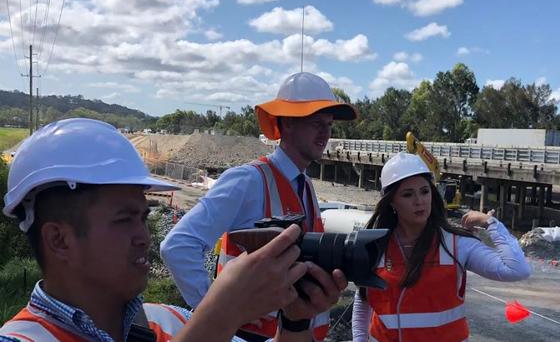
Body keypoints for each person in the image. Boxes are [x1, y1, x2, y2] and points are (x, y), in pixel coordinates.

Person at [0, 118, 344, 342]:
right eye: (124, 219)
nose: (144, 236)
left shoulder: (167, 323)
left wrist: (296, 322)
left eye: (143, 216)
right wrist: (221, 311)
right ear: (59, 240)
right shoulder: (23, 338)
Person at [160, 71, 358, 342]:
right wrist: (219, 315)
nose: (325, 133)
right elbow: (178, 247)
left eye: (329, 124)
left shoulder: (305, 185)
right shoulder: (248, 180)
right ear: (287, 124)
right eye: (316, 123)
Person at [351, 152, 531, 342]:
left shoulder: (456, 244)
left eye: (424, 191)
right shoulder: (376, 245)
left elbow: (517, 270)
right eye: (407, 194)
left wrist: (490, 223)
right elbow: (363, 301)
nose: (419, 201)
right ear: (391, 201)